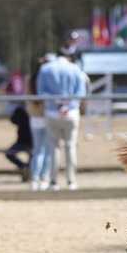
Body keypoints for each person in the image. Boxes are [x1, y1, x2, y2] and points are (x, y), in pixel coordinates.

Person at [37, 48, 87, 190]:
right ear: (68, 57)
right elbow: (81, 92)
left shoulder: (46, 68)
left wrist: (57, 103)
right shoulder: (76, 68)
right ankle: (71, 181)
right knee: (70, 147)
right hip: (71, 113)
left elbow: (41, 91)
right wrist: (68, 104)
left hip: (52, 113)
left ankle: (53, 182)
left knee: (54, 148)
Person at [26, 59, 50, 190]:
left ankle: (34, 178)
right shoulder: (46, 78)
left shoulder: (29, 79)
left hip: (34, 118)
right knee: (46, 150)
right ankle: (44, 177)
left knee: (37, 150)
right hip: (46, 116)